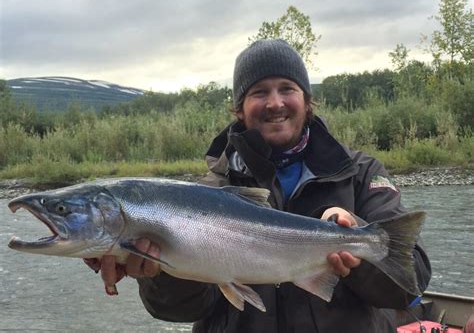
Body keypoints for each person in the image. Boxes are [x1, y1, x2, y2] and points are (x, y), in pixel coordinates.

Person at [86, 39, 431, 332]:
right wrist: (162, 274)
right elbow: (175, 311)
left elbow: (409, 285)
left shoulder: (359, 173)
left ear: (307, 101)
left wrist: (358, 248)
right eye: (259, 92)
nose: (275, 103)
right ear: (239, 109)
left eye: (287, 89)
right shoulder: (207, 193)